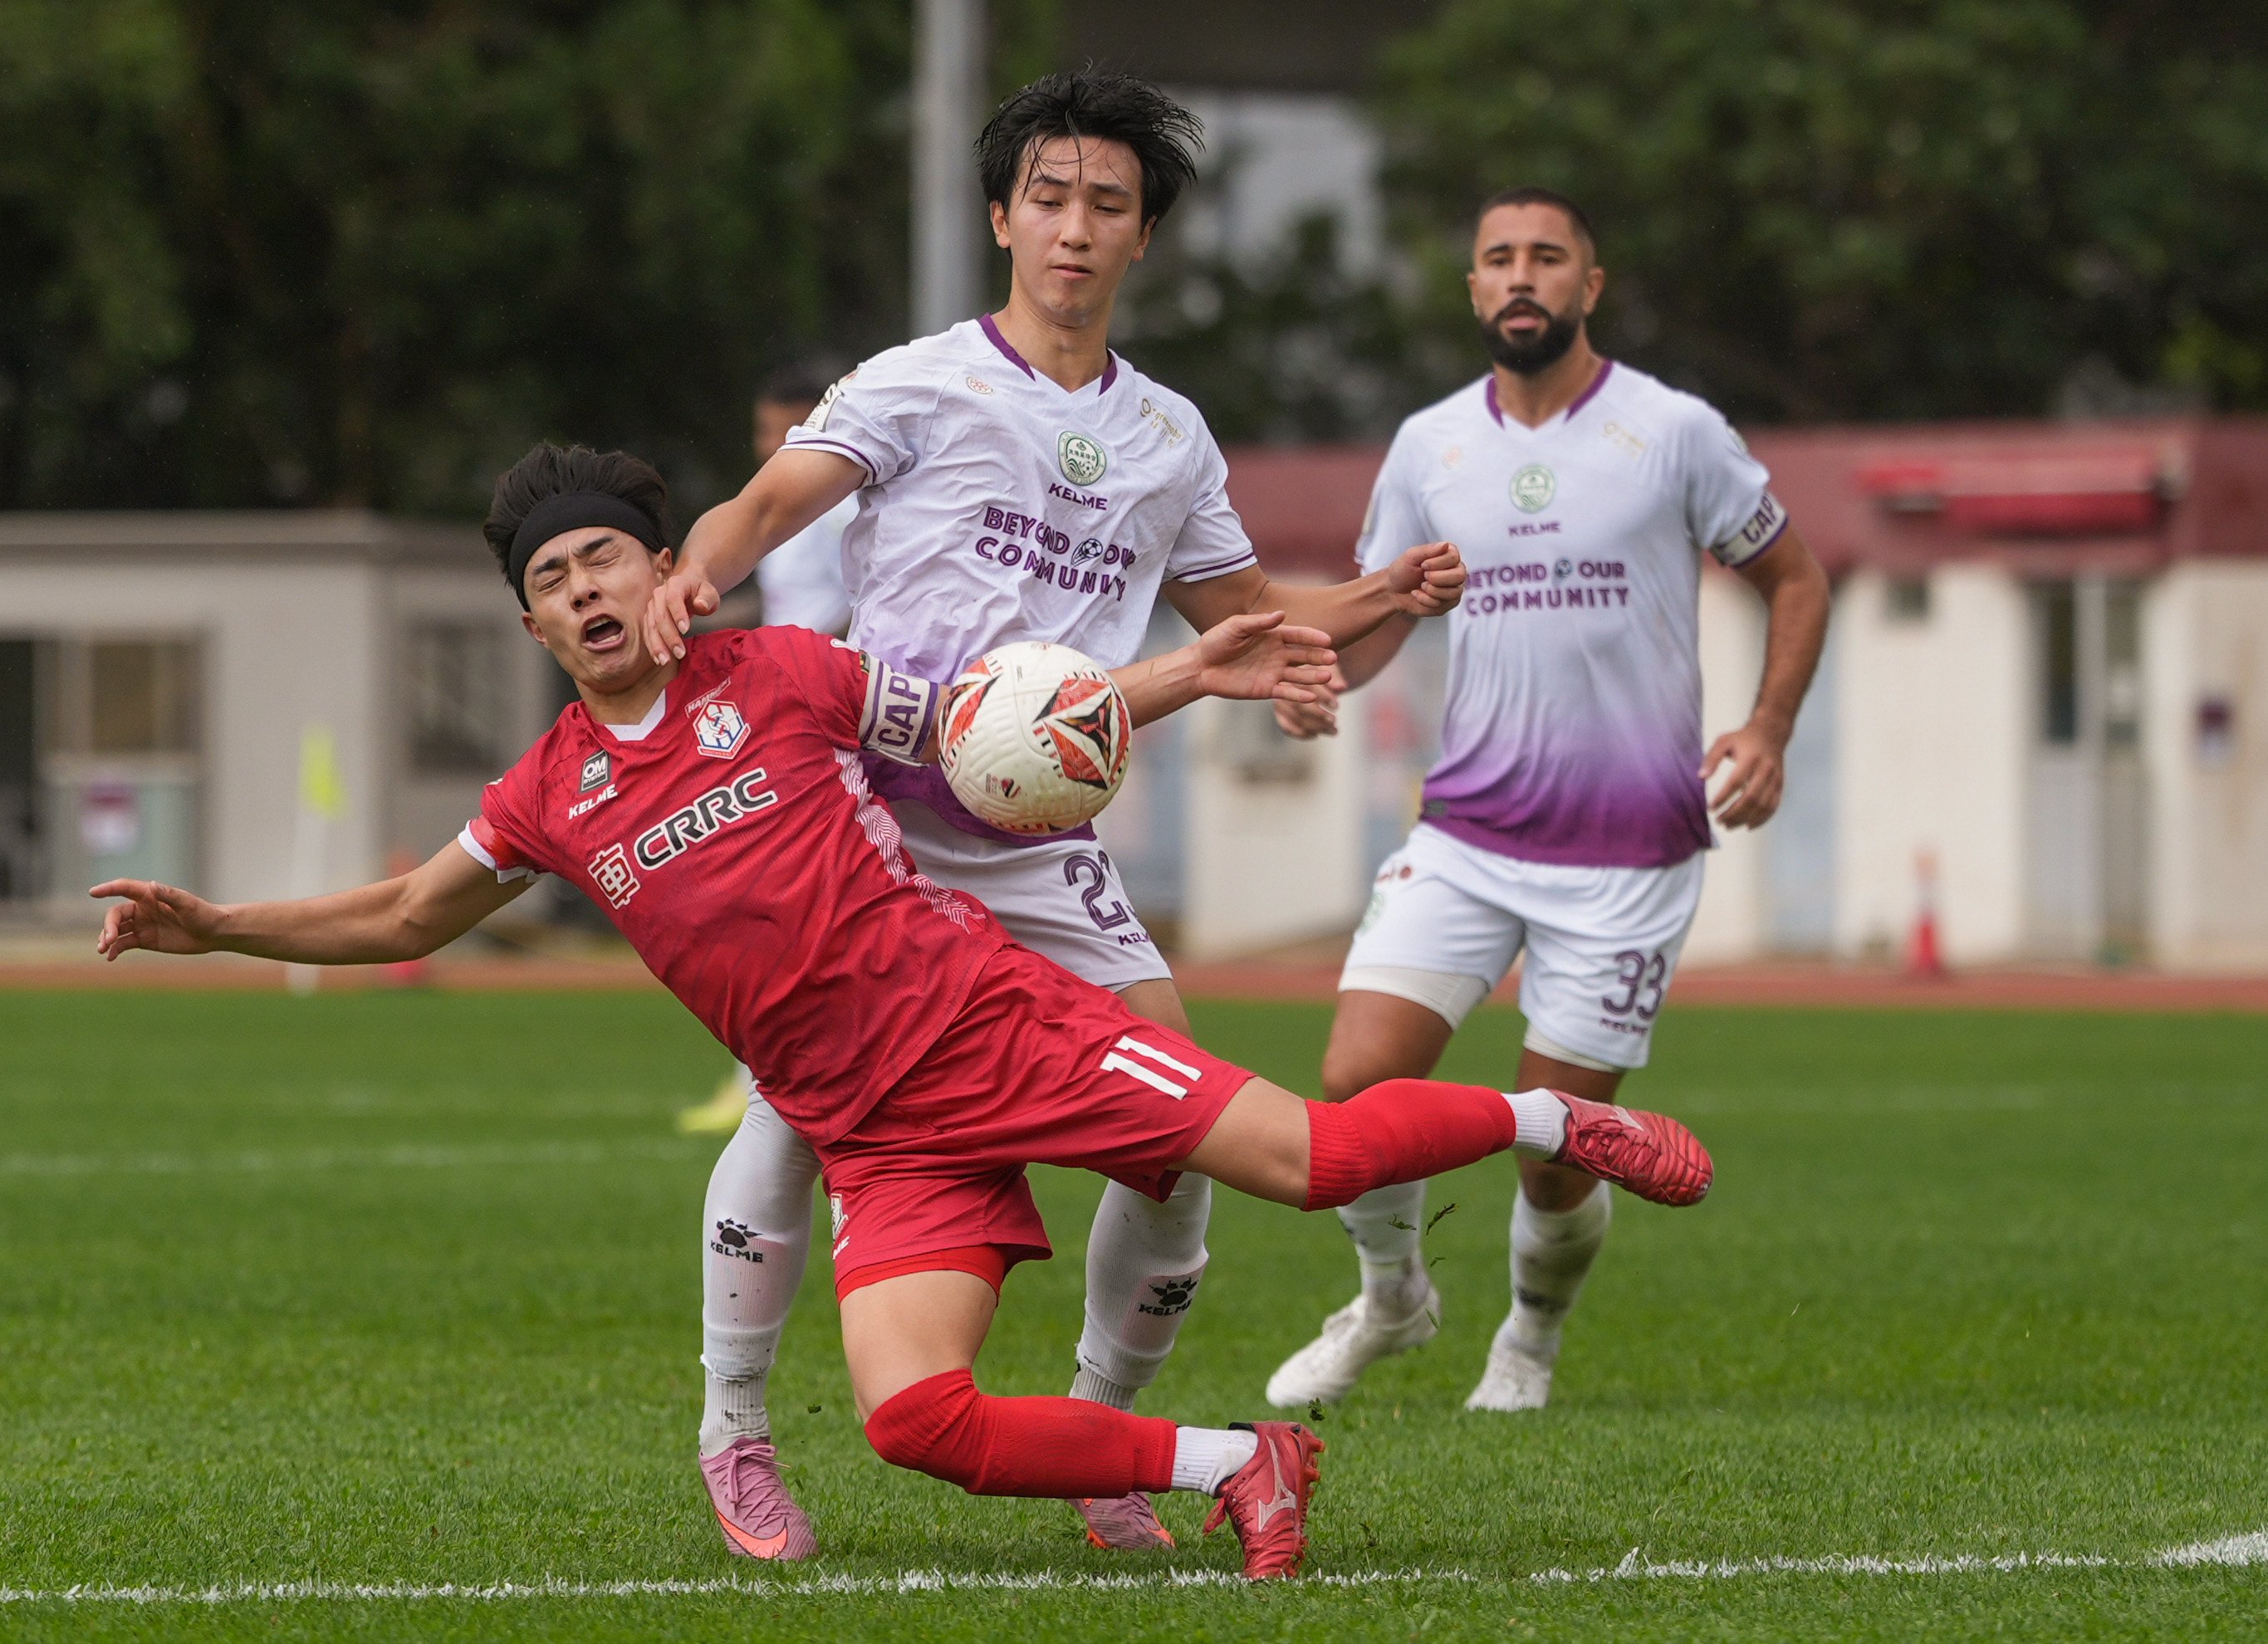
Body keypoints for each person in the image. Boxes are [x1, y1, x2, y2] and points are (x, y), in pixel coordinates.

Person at [90, 444, 1713, 1582]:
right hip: (875, 1132)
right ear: (528, 627)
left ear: (662, 573)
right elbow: (399, 912)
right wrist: (216, 926)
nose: (582, 590)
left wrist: (1184, 676)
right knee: (915, 1419)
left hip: (994, 1023)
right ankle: (1237, 1469)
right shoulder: (549, 793)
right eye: (549, 580)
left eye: (602, 559)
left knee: (1309, 1161)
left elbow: (995, 731)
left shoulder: (785, 671)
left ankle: (1558, 1119)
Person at [643, 71, 1465, 1558]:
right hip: (863, 820)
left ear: (1142, 237)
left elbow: (1256, 623)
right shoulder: (915, 382)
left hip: (1039, 845)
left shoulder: (1168, 438)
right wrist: (694, 572)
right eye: (1049, 198)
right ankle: (736, 1432)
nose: (1073, 229)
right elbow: (760, 513)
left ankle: (1102, 1440)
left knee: (1174, 1145)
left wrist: (1380, 602)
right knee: (794, 1112)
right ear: (1000, 216)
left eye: (1106, 205)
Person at [1259, 188, 1830, 1415]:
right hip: (1466, 834)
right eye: (1497, 259)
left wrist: (1769, 727)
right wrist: (1310, 679)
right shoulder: (1427, 447)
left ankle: (1526, 1339)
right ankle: (1392, 1299)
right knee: (1356, 1083)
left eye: (1545, 258)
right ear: (1472, 290)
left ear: (1588, 284)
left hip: (1628, 855)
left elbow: (1795, 577)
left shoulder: (1672, 431)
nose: (1520, 277)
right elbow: (1371, 622)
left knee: (1559, 1151)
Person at [677, 362, 861, 1138]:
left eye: (772, 430)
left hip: (818, 707)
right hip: (772, 701)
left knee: (795, 895)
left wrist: (799, 665)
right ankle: (756, 1076)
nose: (762, 445)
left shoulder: (834, 512)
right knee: (761, 897)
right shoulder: (776, 514)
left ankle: (772, 1083)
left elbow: (854, 605)